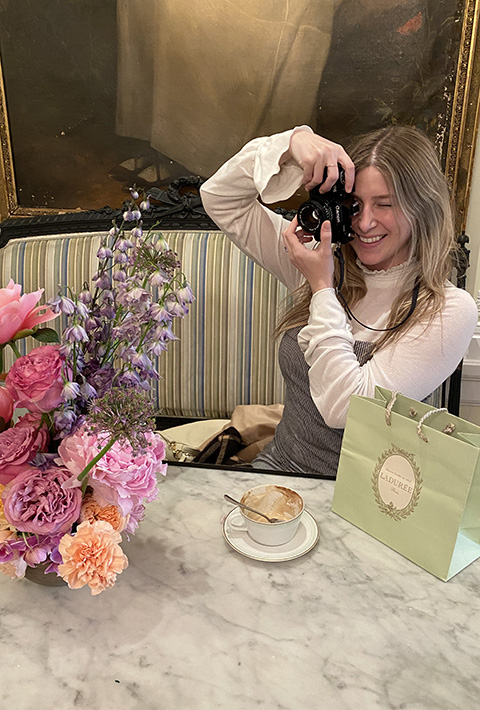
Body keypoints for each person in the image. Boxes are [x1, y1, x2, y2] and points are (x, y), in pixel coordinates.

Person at [200, 125, 479, 477]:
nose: (365, 223)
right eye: (355, 204)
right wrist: (291, 143)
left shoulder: (445, 309)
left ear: (422, 208)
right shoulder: (324, 258)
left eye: (385, 204)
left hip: (362, 493)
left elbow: (344, 408)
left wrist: (321, 288)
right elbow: (220, 198)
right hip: (278, 468)